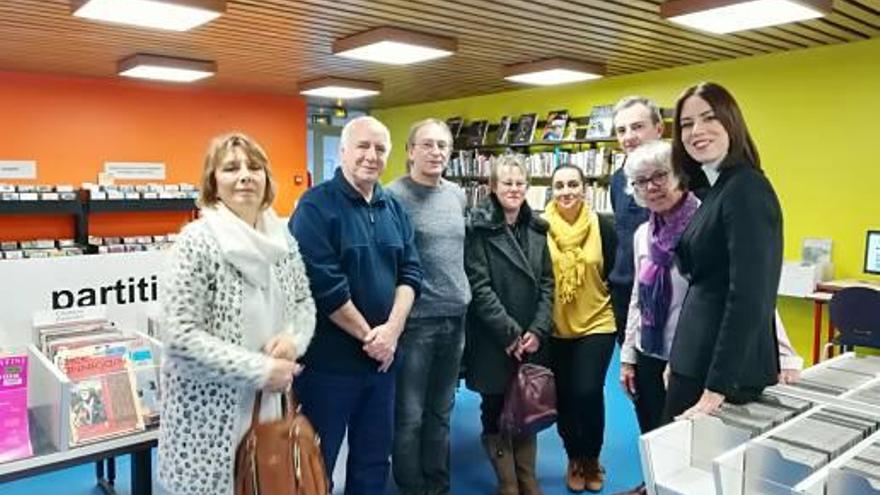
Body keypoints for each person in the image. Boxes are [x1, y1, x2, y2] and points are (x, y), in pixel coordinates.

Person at [613, 140, 802, 495]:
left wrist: (785, 352)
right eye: (641, 181)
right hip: (651, 352)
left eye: (659, 176)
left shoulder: (707, 223)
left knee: (693, 452)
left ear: (680, 176)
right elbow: (639, 296)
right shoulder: (642, 234)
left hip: (694, 359)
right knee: (654, 436)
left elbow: (749, 292)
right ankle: (650, 485)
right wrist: (627, 356)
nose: (651, 186)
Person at [158, 132, 316, 495]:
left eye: (254, 167)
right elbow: (180, 338)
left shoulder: (283, 240)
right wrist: (260, 370)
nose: (245, 175)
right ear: (213, 182)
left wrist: (294, 340)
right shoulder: (195, 243)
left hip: (269, 412)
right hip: (208, 424)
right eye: (231, 168)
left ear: (266, 179)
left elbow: (304, 304)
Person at [290, 116, 423, 494]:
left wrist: (392, 333)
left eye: (380, 149)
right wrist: (372, 338)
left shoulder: (393, 207)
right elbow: (324, 285)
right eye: (363, 146)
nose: (371, 155)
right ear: (343, 151)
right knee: (317, 464)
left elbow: (411, 273)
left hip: (383, 365)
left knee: (373, 460)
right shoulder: (315, 208)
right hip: (329, 367)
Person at [665, 82, 784, 421]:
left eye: (708, 118)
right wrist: (679, 359)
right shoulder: (718, 189)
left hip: (719, 374)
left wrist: (718, 385)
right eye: (686, 124)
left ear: (731, 122)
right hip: (696, 360)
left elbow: (750, 295)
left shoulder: (746, 188)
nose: (696, 131)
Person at [388, 118, 471, 495]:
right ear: (410, 152)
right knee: (409, 416)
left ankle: (437, 483)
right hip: (415, 323)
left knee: (441, 411)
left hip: (456, 318)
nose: (436, 152)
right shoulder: (393, 197)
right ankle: (411, 485)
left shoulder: (456, 194)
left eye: (443, 145)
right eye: (428, 145)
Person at [464, 154, 554, 495]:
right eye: (507, 183)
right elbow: (479, 286)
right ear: (493, 187)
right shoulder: (477, 227)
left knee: (527, 405)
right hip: (493, 337)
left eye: (520, 183)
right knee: (495, 405)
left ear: (527, 187)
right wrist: (511, 333)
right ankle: (507, 482)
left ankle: (527, 478)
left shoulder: (538, 228)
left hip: (532, 335)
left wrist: (537, 329)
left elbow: (548, 283)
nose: (514, 189)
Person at [543, 164, 617, 493]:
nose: (566, 191)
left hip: (598, 322)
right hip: (555, 327)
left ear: (585, 188)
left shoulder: (604, 226)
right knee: (564, 397)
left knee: (587, 391)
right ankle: (573, 457)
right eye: (559, 185)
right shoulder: (540, 227)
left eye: (573, 184)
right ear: (552, 190)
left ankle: (591, 457)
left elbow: (616, 275)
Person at [608, 96, 661, 344]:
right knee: (631, 373)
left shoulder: (681, 177)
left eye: (637, 126)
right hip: (624, 288)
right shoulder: (618, 179)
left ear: (658, 129)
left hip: (662, 290)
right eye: (621, 130)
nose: (628, 136)